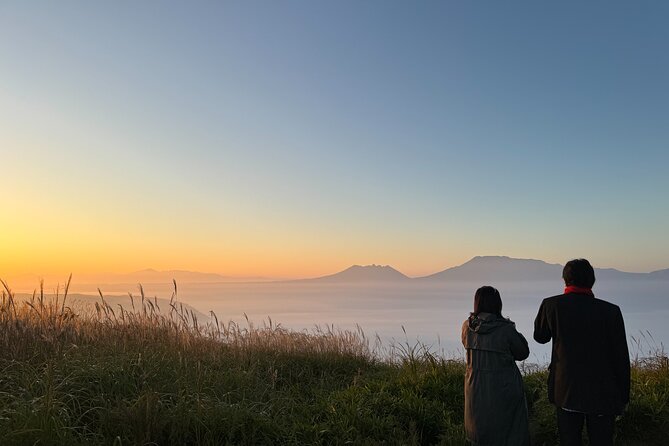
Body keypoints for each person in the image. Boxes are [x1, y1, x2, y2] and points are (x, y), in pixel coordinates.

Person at [534, 258, 630, 446]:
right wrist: (623, 396)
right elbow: (621, 358)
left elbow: (540, 336)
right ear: (592, 280)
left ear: (565, 280)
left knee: (569, 440)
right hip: (604, 392)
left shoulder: (551, 305)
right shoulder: (611, 311)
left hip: (566, 391)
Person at [462, 286, 530, 446]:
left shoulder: (467, 326)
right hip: (504, 389)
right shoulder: (505, 329)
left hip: (475, 388)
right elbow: (522, 352)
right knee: (509, 433)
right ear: (498, 304)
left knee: (479, 433)